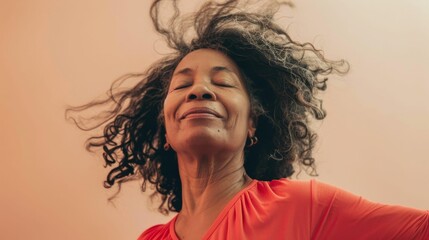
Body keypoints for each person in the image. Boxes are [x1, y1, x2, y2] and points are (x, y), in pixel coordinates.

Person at [66, 0, 429, 239]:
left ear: (253, 125)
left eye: (221, 82)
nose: (200, 90)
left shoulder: (303, 207)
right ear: (164, 129)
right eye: (183, 84)